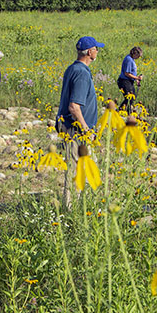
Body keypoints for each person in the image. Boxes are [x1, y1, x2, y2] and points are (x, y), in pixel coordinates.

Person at [56, 36, 103, 206]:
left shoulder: (72, 68)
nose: (98, 51)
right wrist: (86, 129)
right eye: (96, 48)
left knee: (85, 168)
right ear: (90, 52)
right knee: (77, 169)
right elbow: (74, 106)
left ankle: (83, 205)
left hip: (72, 127)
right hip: (76, 129)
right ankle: (71, 208)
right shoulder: (82, 73)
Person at [117, 46, 143, 113]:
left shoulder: (131, 59)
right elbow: (127, 73)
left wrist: (136, 79)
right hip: (124, 81)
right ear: (134, 53)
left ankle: (123, 111)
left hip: (129, 80)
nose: (138, 57)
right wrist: (137, 78)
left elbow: (131, 73)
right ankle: (123, 112)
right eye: (138, 55)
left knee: (132, 97)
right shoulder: (129, 59)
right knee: (129, 98)